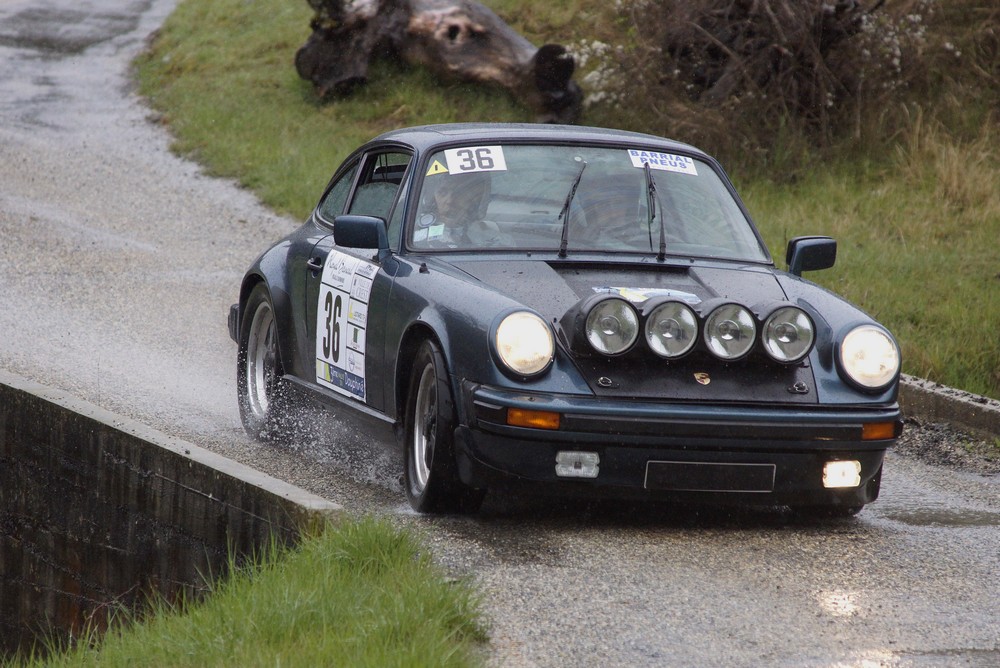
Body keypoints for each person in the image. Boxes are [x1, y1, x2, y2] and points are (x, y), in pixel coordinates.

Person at [413, 171, 507, 248]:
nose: (449, 201)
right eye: (442, 192)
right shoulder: (416, 242)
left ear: (474, 200)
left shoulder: (499, 243)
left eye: (458, 193)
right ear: (433, 198)